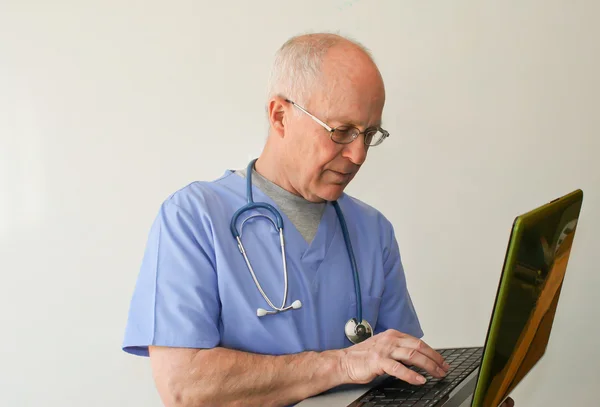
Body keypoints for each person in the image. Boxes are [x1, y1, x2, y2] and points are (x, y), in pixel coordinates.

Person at [122, 33, 515, 407]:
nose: (359, 155)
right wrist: (341, 364)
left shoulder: (372, 230)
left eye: (369, 134)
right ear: (280, 116)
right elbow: (184, 387)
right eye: (342, 131)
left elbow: (401, 371)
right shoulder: (193, 218)